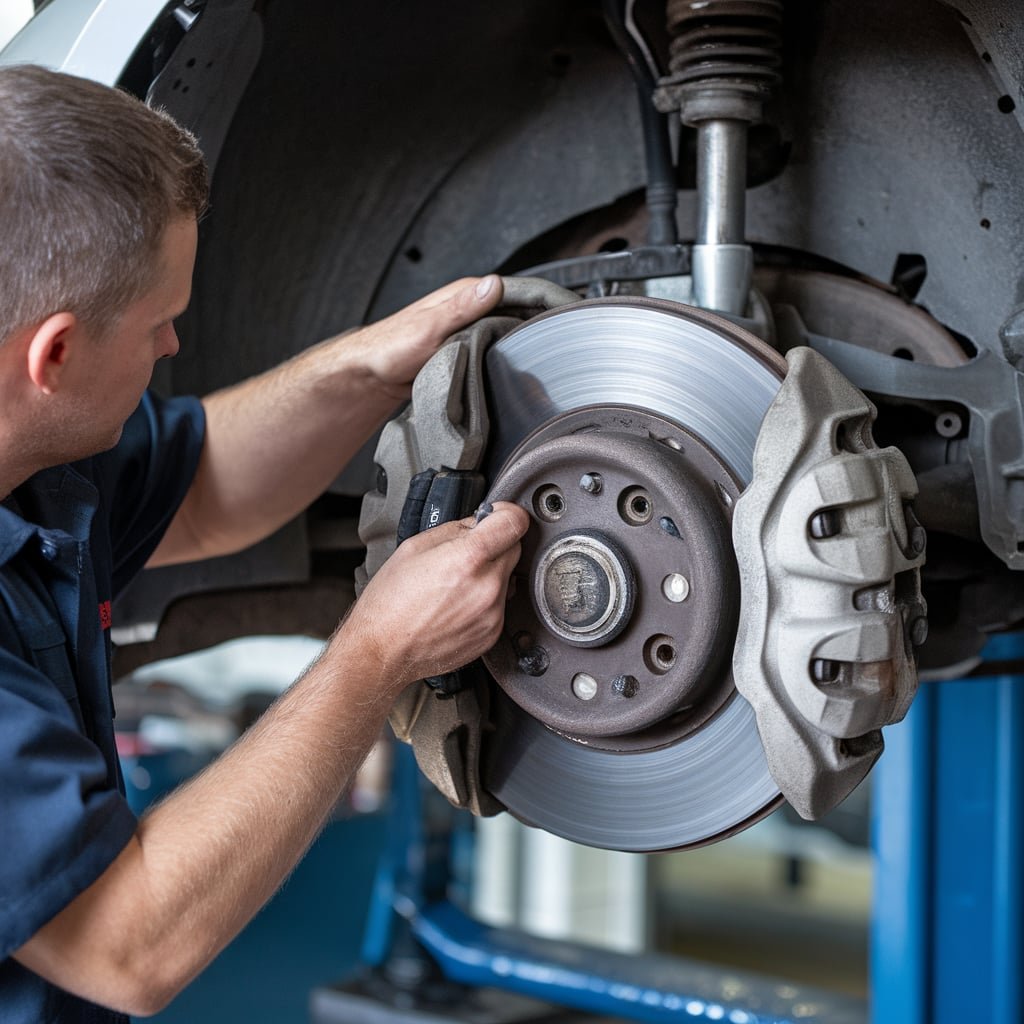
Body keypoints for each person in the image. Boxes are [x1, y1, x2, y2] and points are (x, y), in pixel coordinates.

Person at [0, 63, 528, 1021]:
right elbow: (130, 944)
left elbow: (204, 495)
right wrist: (378, 651)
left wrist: (374, 363)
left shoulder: (31, 454)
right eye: (162, 322)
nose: (171, 347)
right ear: (57, 354)